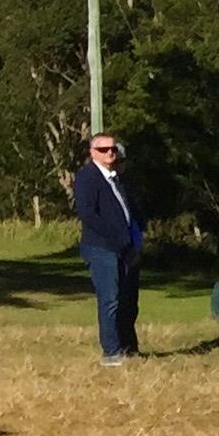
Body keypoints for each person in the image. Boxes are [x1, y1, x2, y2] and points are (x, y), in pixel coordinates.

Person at [70, 131, 143, 363]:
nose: (110, 153)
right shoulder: (87, 177)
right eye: (103, 149)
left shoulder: (117, 178)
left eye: (113, 149)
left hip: (126, 248)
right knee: (110, 299)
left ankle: (128, 348)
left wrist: (135, 240)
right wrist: (117, 237)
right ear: (93, 153)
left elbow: (130, 212)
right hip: (102, 247)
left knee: (128, 299)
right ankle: (111, 352)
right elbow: (88, 214)